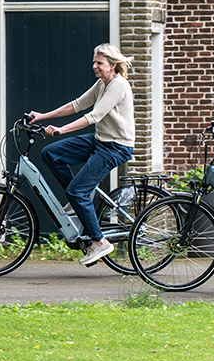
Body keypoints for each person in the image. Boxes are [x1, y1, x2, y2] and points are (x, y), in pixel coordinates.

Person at [29, 43, 135, 267]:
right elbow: (76, 105)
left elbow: (94, 116)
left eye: (99, 63)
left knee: (77, 191)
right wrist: (43, 116)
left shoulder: (118, 85)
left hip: (116, 146)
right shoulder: (102, 84)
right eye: (94, 61)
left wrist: (62, 129)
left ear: (113, 65)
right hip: (99, 140)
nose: (94, 66)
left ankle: (99, 242)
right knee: (51, 154)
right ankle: (77, 200)